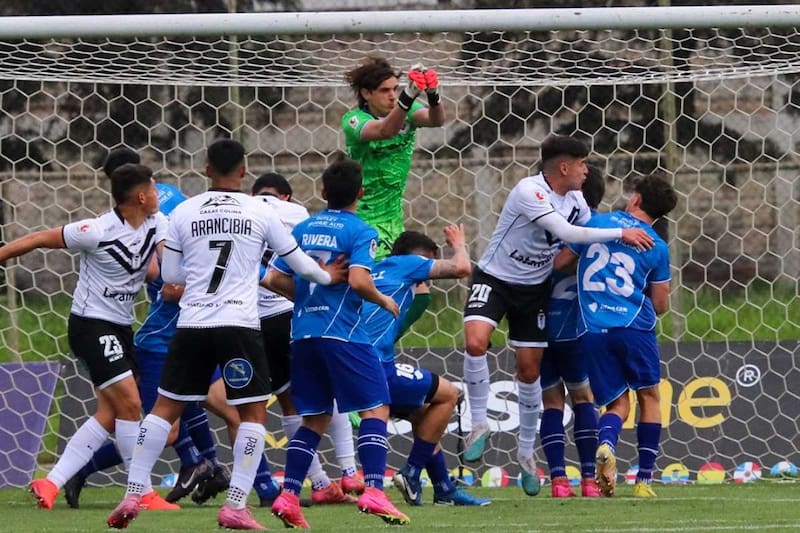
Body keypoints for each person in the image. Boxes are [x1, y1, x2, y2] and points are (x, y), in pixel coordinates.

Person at [106, 139, 345, 530]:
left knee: (164, 408)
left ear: (205, 169)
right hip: (238, 324)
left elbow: (171, 276)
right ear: (244, 171)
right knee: (252, 413)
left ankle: (133, 493)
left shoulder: (183, 211)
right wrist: (328, 276)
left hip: (192, 323)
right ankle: (235, 505)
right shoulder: (259, 210)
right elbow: (300, 265)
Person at [460, 135, 654, 497]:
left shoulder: (577, 202)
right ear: (564, 167)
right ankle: (478, 423)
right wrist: (622, 232)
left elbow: (585, 237)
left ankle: (526, 453)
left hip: (534, 291)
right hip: (495, 278)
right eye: (581, 164)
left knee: (529, 371)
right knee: (475, 343)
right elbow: (567, 233)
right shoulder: (529, 190)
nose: (586, 171)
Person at [0, 163, 167, 511]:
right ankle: (141, 493)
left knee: (110, 411)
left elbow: (161, 265)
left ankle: (51, 482)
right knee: (131, 404)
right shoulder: (95, 230)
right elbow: (37, 239)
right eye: (153, 189)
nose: (157, 194)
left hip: (121, 327)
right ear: (140, 196)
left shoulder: (157, 223)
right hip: (91, 325)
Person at [265, 158, 407, 529]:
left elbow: (272, 279)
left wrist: (307, 297)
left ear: (323, 191)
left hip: (303, 334)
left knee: (313, 419)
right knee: (376, 409)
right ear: (361, 193)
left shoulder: (303, 228)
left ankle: (288, 496)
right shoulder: (361, 230)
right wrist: (384, 300)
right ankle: (374, 490)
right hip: (343, 334)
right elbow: (358, 281)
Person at [63, 147, 206, 510]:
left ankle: (198, 463)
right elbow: (163, 274)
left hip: (177, 319)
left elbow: (160, 272)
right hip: (168, 324)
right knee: (157, 418)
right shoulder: (166, 203)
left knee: (179, 407)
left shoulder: (154, 210)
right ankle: (176, 472)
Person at [555, 173, 677, 498]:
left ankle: (607, 443)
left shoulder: (597, 223)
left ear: (635, 198)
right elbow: (661, 305)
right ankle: (644, 481)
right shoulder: (657, 246)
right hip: (635, 328)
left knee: (616, 403)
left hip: (592, 329)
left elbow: (561, 261)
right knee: (649, 398)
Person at [251, 172, 364, 506]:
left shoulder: (244, 210)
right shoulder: (299, 215)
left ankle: (318, 483)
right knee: (328, 393)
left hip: (248, 320)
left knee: (283, 403)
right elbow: (308, 266)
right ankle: (349, 471)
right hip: (290, 316)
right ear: (286, 196)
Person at [357, 224, 489, 507]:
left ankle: (443, 489)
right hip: (375, 365)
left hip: (353, 360)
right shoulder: (408, 264)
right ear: (420, 257)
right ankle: (412, 471)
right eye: (429, 261)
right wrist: (458, 242)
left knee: (425, 413)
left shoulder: (373, 271)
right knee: (450, 394)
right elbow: (461, 268)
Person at [342, 56, 446, 363]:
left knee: (420, 294)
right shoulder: (353, 120)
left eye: (395, 89)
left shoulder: (408, 110)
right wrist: (409, 95)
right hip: (363, 224)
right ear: (366, 94)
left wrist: (433, 94)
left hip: (394, 223)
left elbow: (437, 120)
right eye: (385, 90)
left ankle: (374, 347)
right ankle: (367, 353)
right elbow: (385, 131)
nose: (392, 96)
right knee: (371, 295)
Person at [538, 165, 605, 498]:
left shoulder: (539, 224)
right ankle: (590, 480)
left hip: (537, 326)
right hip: (575, 327)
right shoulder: (595, 228)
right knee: (583, 399)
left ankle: (558, 481)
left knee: (551, 402)